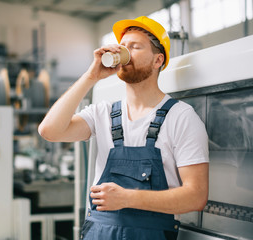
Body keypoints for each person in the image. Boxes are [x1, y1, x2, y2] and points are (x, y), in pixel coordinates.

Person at [38, 16, 209, 240]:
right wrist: (91, 76)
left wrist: (127, 198)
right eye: (123, 46)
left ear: (158, 60)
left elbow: (196, 196)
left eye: (135, 47)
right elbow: (49, 131)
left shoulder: (181, 117)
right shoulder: (103, 113)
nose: (125, 51)